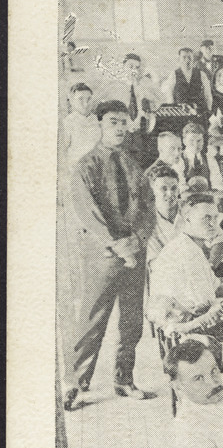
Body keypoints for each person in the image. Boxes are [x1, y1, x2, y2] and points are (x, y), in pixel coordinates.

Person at [58, 99, 155, 410]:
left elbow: (148, 208)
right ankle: (75, 384)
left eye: (124, 121)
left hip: (134, 255)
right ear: (99, 125)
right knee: (92, 320)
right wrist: (118, 245)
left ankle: (124, 379)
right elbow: (88, 213)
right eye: (113, 121)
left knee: (131, 321)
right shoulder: (86, 167)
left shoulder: (132, 164)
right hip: (103, 256)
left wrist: (137, 241)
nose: (120, 127)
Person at [147, 192, 223, 342]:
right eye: (206, 218)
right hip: (190, 333)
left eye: (215, 217)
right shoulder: (188, 253)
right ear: (187, 219)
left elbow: (219, 290)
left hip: (193, 322)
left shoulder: (187, 245)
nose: (213, 224)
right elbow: (207, 309)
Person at [161, 46, 214, 123]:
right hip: (180, 115)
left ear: (193, 59)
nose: (187, 60)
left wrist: (208, 112)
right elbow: (169, 96)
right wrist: (172, 114)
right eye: (184, 57)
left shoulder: (201, 74)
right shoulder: (174, 75)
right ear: (179, 59)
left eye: (189, 57)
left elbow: (208, 96)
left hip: (198, 114)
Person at [145, 162, 183, 262]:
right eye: (164, 188)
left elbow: (220, 238)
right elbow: (155, 262)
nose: (170, 194)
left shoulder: (190, 209)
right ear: (153, 190)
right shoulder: (146, 220)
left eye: (174, 188)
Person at [60, 82, 100, 175]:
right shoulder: (67, 123)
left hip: (97, 169)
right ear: (72, 101)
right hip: (76, 171)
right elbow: (62, 153)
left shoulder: (97, 121)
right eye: (80, 99)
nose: (85, 104)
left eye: (89, 99)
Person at [179, 121, 220, 189]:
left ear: (203, 141)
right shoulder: (179, 159)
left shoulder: (209, 159)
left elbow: (217, 183)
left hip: (207, 197)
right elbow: (180, 186)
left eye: (199, 141)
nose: (195, 145)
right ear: (184, 141)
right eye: (191, 140)